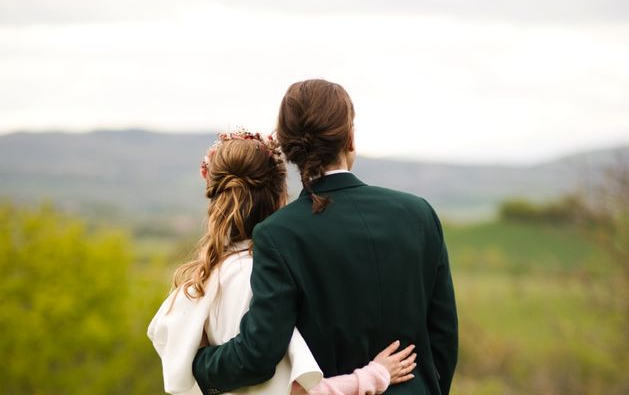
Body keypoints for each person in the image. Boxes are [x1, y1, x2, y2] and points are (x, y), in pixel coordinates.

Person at [193, 80, 458, 395]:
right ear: (350, 138)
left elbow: (258, 355)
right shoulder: (419, 215)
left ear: (290, 149)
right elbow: (443, 338)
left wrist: (199, 364)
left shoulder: (278, 235)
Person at [147, 130, 417, 395]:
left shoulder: (196, 284)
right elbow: (299, 390)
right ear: (280, 198)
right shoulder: (271, 274)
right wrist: (374, 375)